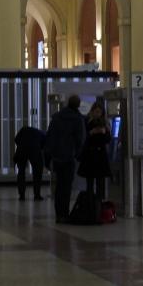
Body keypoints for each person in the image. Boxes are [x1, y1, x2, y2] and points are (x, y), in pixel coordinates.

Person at [44, 95, 86, 223]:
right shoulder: (78, 119)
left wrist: (49, 156)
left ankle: (58, 214)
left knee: (59, 186)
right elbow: (80, 139)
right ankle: (64, 213)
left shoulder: (57, 117)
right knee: (66, 186)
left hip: (57, 157)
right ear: (78, 105)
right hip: (69, 157)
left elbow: (50, 137)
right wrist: (78, 154)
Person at [78, 102, 112, 203]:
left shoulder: (105, 123)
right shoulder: (87, 122)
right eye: (96, 111)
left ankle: (98, 204)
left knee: (100, 182)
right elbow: (83, 137)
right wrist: (91, 132)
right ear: (92, 111)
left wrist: (104, 132)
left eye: (100, 112)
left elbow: (108, 139)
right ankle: (90, 203)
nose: (98, 114)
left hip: (100, 155)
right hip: (90, 155)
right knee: (89, 182)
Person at [14, 123, 46, 202]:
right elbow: (43, 147)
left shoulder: (25, 129)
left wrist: (22, 146)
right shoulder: (43, 135)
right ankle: (37, 195)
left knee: (21, 171)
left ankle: (22, 195)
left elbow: (16, 139)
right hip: (34, 150)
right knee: (37, 172)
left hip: (22, 149)